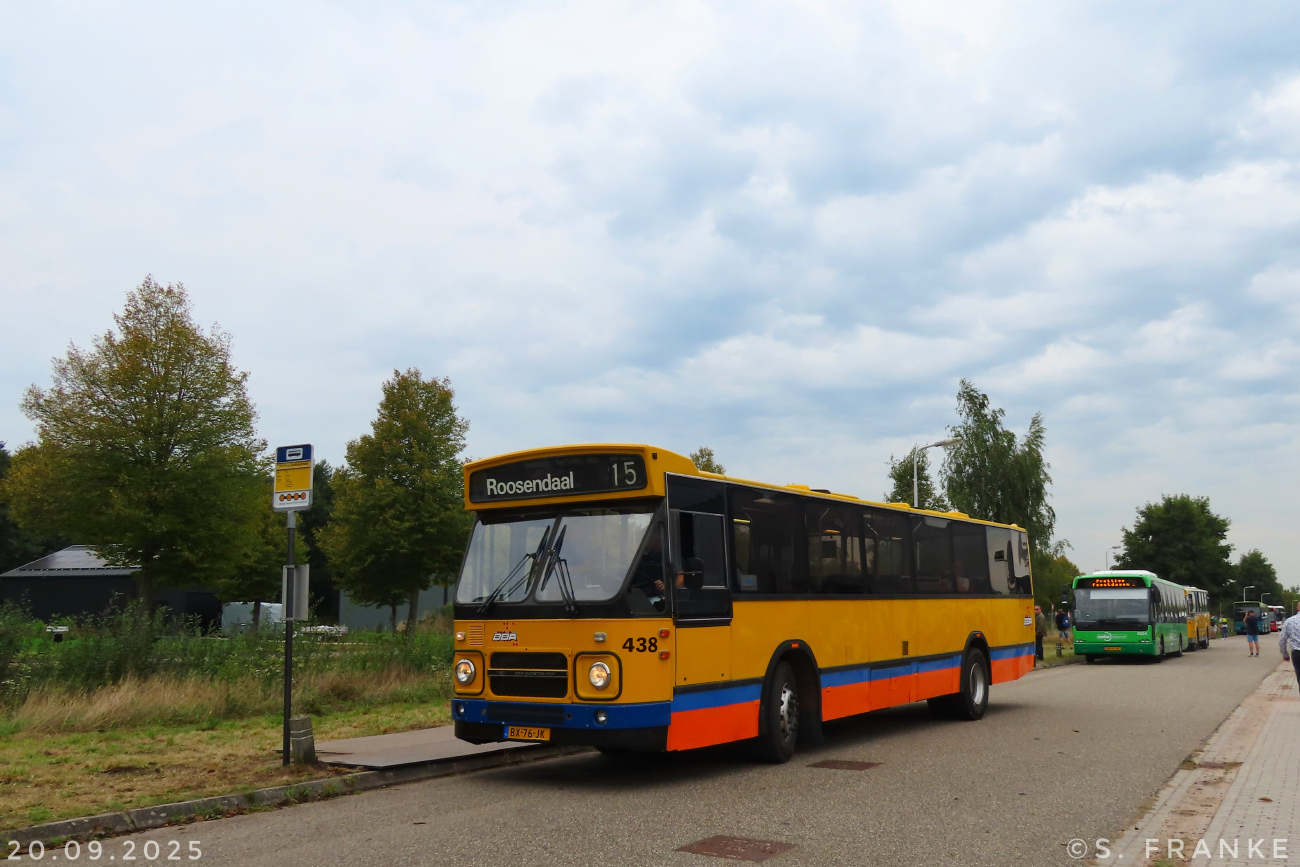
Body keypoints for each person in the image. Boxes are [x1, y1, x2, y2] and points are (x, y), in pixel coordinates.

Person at [1280, 603, 1300, 690]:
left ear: (1297, 608)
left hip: (1297, 653)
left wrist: (1285, 654)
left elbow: (1282, 640)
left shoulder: (1289, 621)